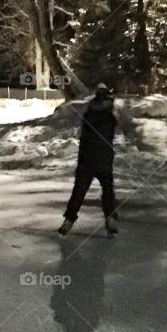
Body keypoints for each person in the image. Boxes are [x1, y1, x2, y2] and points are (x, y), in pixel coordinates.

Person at [59, 84, 119, 236]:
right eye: (110, 100)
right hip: (103, 160)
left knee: (79, 191)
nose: (112, 103)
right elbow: (109, 137)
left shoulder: (88, 115)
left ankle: (69, 220)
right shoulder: (109, 117)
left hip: (87, 160)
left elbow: (84, 137)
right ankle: (110, 218)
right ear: (105, 101)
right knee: (108, 191)